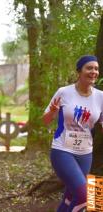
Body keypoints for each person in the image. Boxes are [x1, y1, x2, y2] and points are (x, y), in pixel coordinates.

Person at [42, 55, 103, 212]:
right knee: (85, 198)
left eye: (96, 68)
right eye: (89, 68)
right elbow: (45, 120)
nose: (94, 71)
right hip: (62, 150)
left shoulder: (100, 97)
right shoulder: (64, 92)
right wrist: (53, 112)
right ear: (79, 71)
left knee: (70, 199)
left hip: (86, 153)